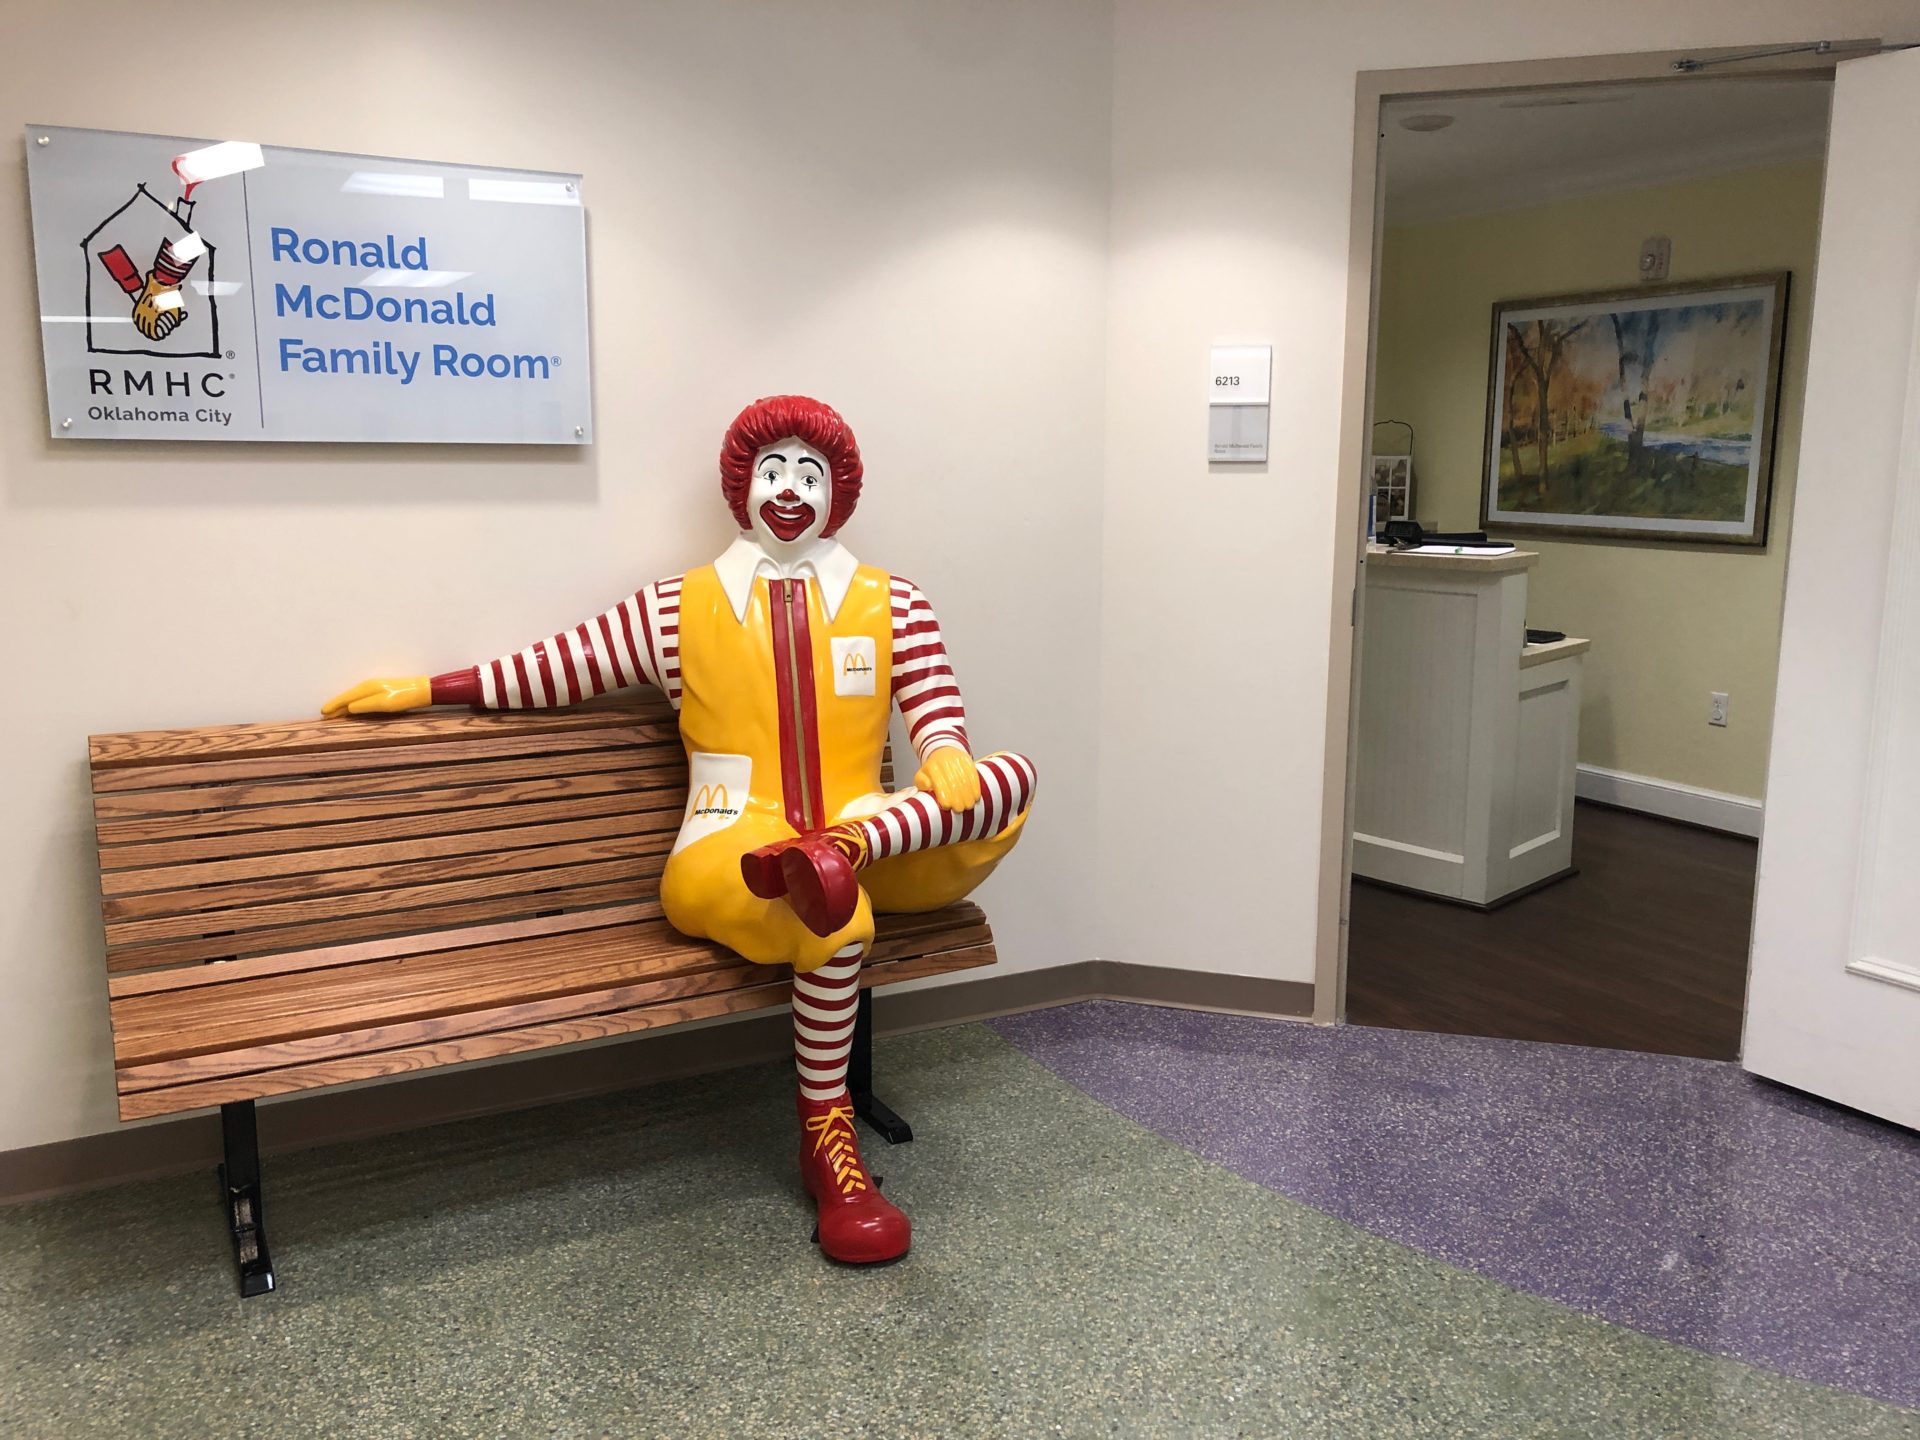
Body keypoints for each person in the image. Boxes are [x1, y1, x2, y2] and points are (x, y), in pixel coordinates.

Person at [323, 395, 1035, 1264]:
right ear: (742, 487)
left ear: (839, 494)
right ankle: (829, 1141)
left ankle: (840, 850)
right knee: (833, 915)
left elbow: (936, 712)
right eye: (773, 470)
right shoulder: (676, 608)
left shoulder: (897, 603)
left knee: (1013, 778)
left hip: (868, 831)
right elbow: (559, 666)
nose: (790, 489)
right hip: (729, 848)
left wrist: (947, 756)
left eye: (810, 474)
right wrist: (432, 689)